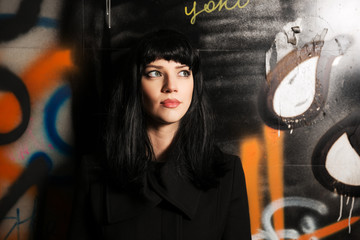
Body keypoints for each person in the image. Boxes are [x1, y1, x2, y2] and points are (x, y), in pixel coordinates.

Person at [68, 29, 251, 240]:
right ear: (136, 84)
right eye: (155, 73)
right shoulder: (95, 173)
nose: (171, 87)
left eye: (183, 72)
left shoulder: (226, 174)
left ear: (194, 83)